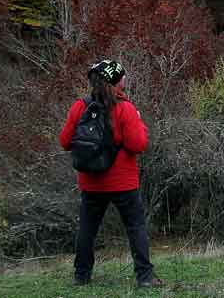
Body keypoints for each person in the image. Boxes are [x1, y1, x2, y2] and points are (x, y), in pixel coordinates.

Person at [58, 59, 162, 289]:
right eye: (123, 76)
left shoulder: (80, 106)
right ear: (117, 81)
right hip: (123, 182)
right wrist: (140, 124)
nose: (125, 78)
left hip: (91, 183)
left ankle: (81, 276)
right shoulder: (125, 108)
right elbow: (137, 145)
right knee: (135, 227)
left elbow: (65, 142)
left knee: (87, 229)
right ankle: (145, 277)